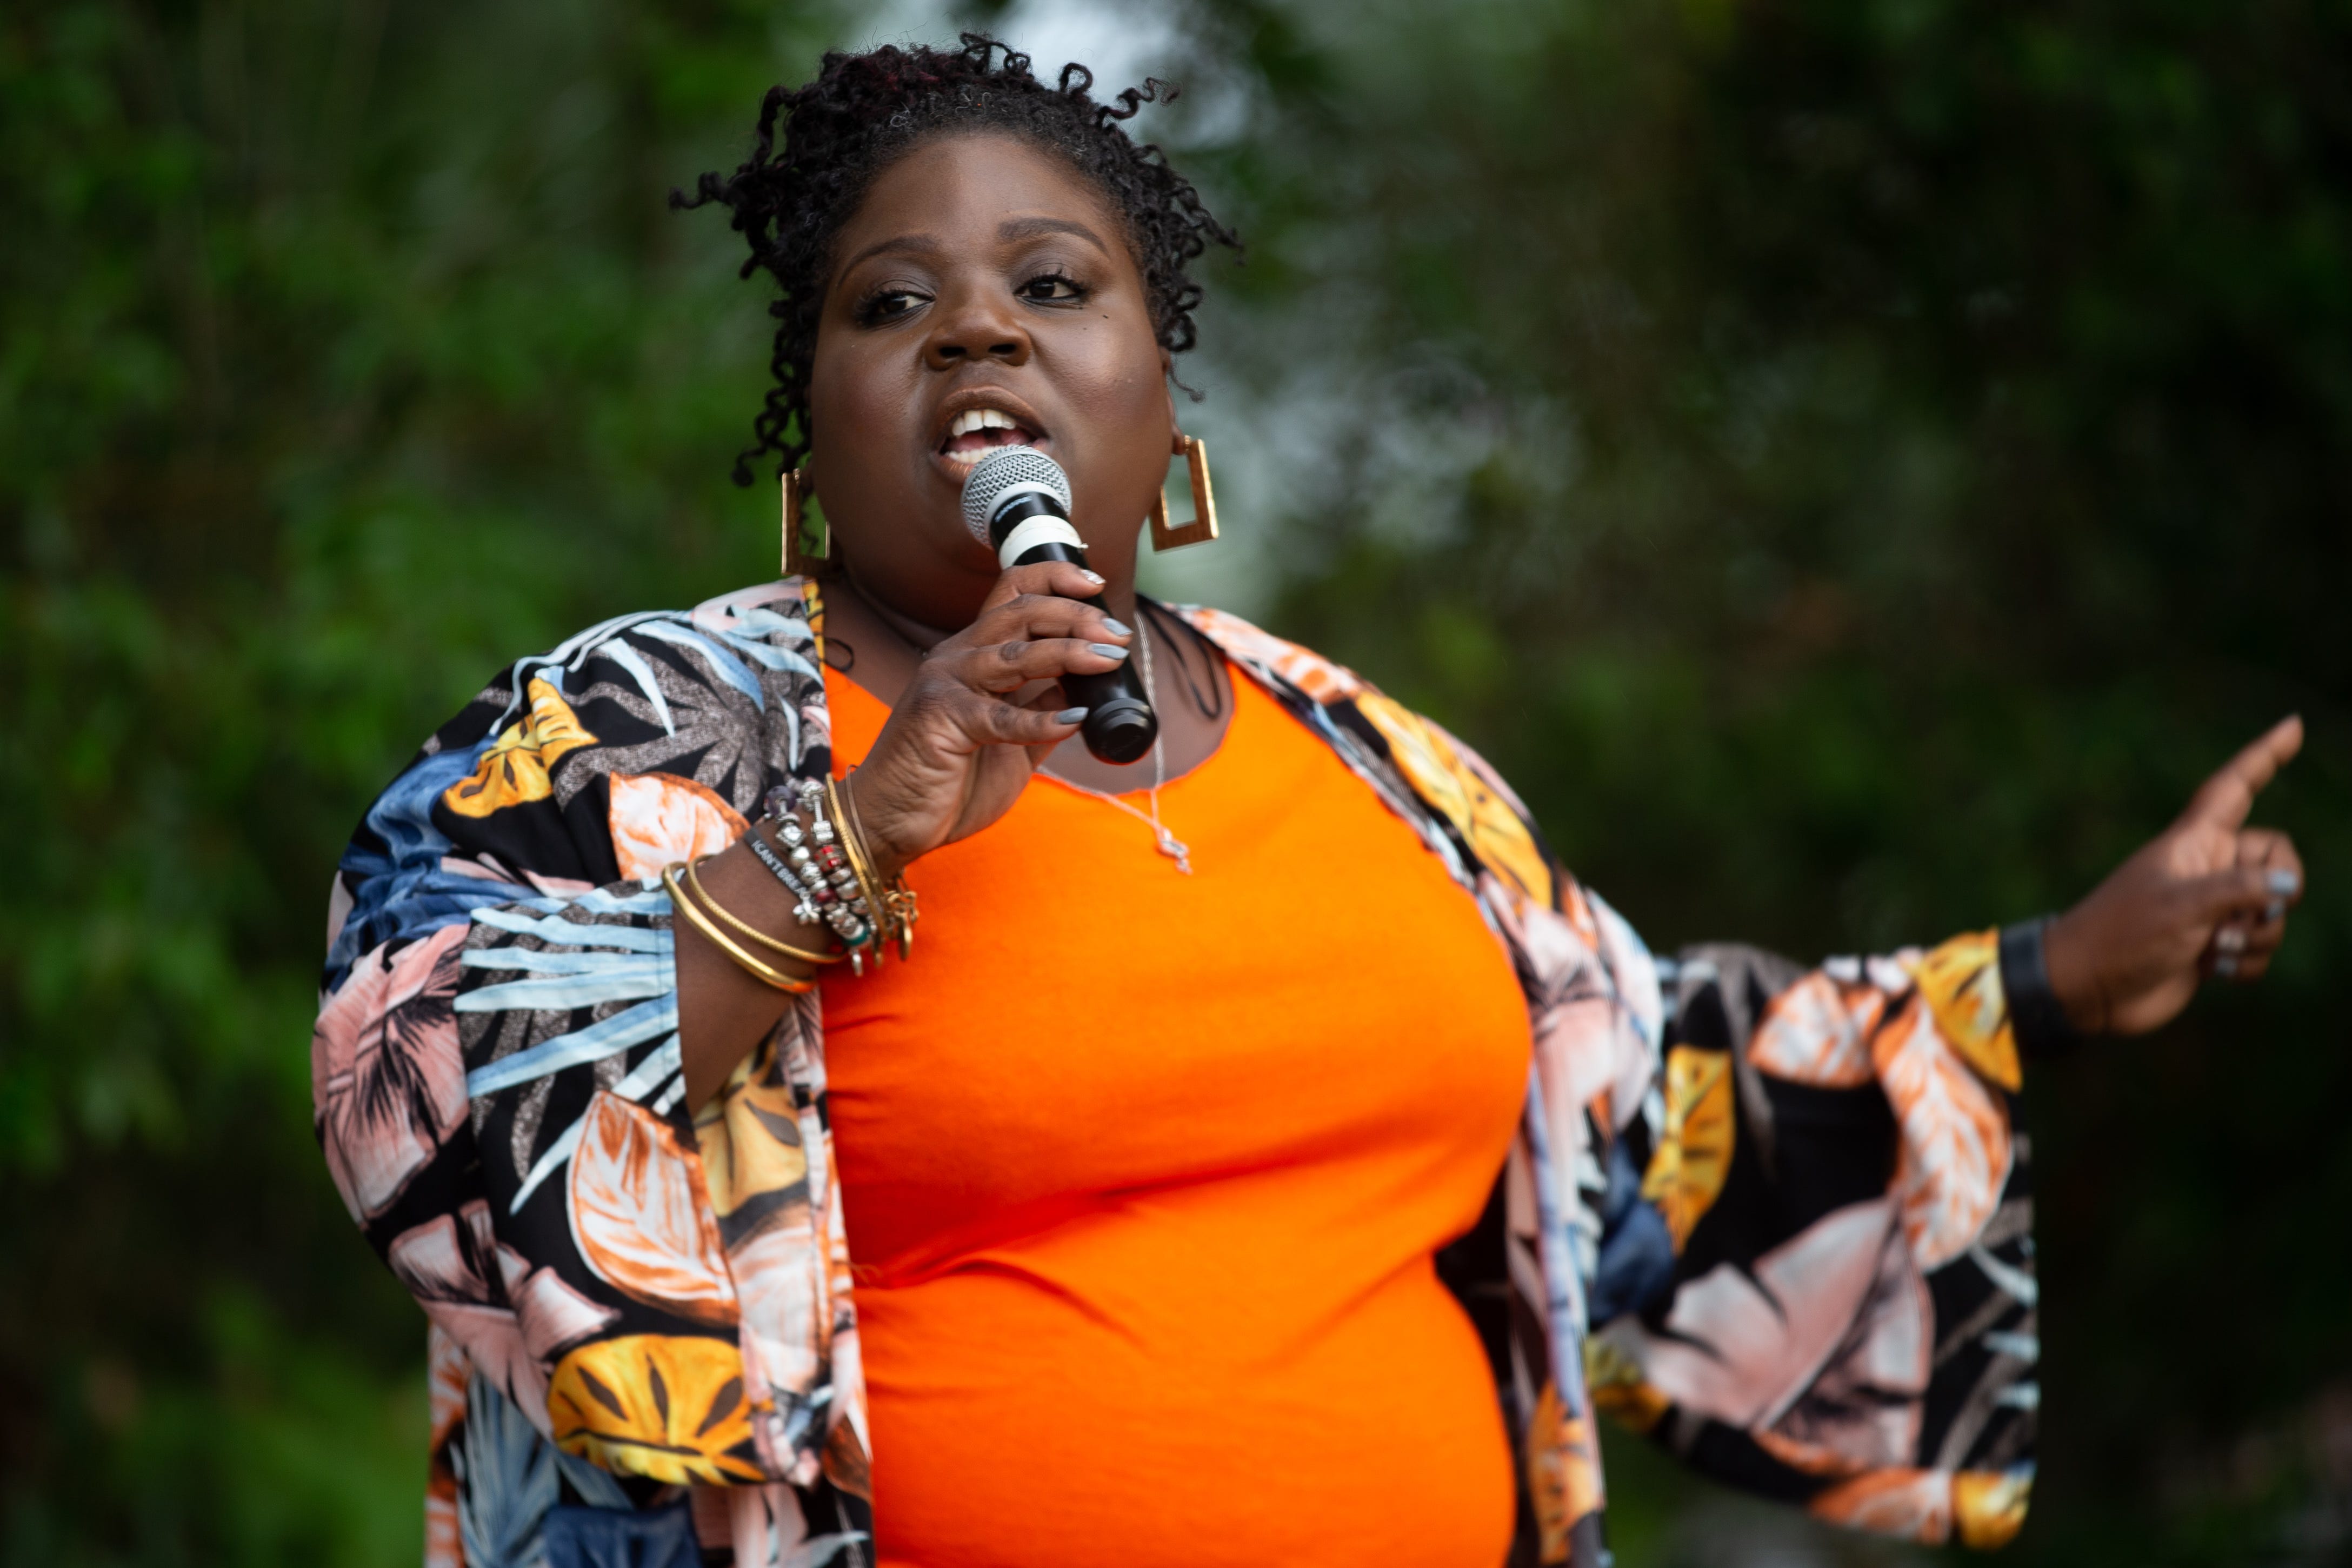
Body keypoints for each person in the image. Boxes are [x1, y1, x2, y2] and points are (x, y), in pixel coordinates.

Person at [311, 36, 2307, 1568]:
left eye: (1052, 285)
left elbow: (1638, 1089)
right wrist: (861, 824)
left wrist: (2054, 971)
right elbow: (422, 1104)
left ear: (1164, 413)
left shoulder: (1363, 746)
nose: (980, 328)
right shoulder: (644, 724)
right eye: (891, 305)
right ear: (812, 453)